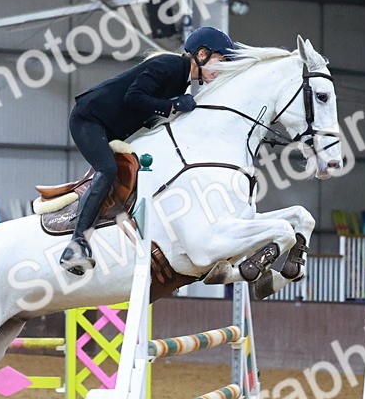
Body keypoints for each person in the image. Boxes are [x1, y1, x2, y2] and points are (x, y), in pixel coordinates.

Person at [59, 26, 238, 275]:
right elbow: (134, 97)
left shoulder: (181, 80)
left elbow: (152, 115)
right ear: (202, 53)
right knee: (108, 169)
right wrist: (173, 104)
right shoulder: (170, 65)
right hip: (89, 118)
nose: (222, 69)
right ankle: (76, 244)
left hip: (110, 127)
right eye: (221, 61)